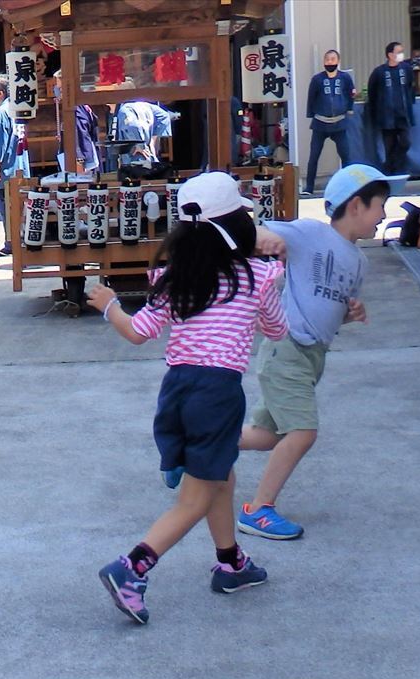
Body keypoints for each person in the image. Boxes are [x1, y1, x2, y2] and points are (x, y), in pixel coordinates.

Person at [84, 172, 286, 625]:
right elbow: (277, 330)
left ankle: (230, 562)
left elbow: (139, 332)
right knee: (195, 498)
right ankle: (132, 568)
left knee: (219, 473)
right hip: (218, 392)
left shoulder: (175, 277)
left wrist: (111, 306)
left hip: (177, 390)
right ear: (239, 226)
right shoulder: (257, 275)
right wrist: (272, 280)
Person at [235, 164, 388, 540]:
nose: (384, 215)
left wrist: (352, 315)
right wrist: (264, 236)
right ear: (355, 206)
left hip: (311, 356)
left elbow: (333, 310)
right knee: (303, 432)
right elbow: (251, 232)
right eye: (379, 206)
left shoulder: (359, 260)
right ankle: (259, 509)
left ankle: (194, 443)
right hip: (286, 349)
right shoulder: (309, 234)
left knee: (268, 434)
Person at [303, 50, 356, 195]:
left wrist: (349, 108)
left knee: (346, 155)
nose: (330, 62)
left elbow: (351, 94)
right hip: (320, 122)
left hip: (339, 122)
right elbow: (311, 97)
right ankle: (309, 187)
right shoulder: (317, 79)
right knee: (314, 155)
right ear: (323, 61)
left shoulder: (345, 78)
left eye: (333, 59)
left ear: (338, 61)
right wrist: (311, 114)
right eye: (327, 59)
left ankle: (349, 187)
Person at [367, 41, 414, 176]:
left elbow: (410, 87)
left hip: (403, 114)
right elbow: (372, 92)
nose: (401, 55)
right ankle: (390, 171)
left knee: (406, 142)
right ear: (390, 55)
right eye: (398, 52)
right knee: (389, 145)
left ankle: (395, 165)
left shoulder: (406, 69)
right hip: (386, 116)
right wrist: (375, 113)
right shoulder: (379, 72)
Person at [0, 74, 22, 255]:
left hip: (6, 167)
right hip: (18, 164)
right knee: (18, 205)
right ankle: (18, 239)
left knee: (6, 206)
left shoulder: (1, 113)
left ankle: (11, 242)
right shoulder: (15, 109)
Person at [52, 69, 99, 173]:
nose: (58, 92)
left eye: (60, 89)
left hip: (80, 162)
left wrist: (78, 161)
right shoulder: (82, 106)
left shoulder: (76, 110)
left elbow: (80, 136)